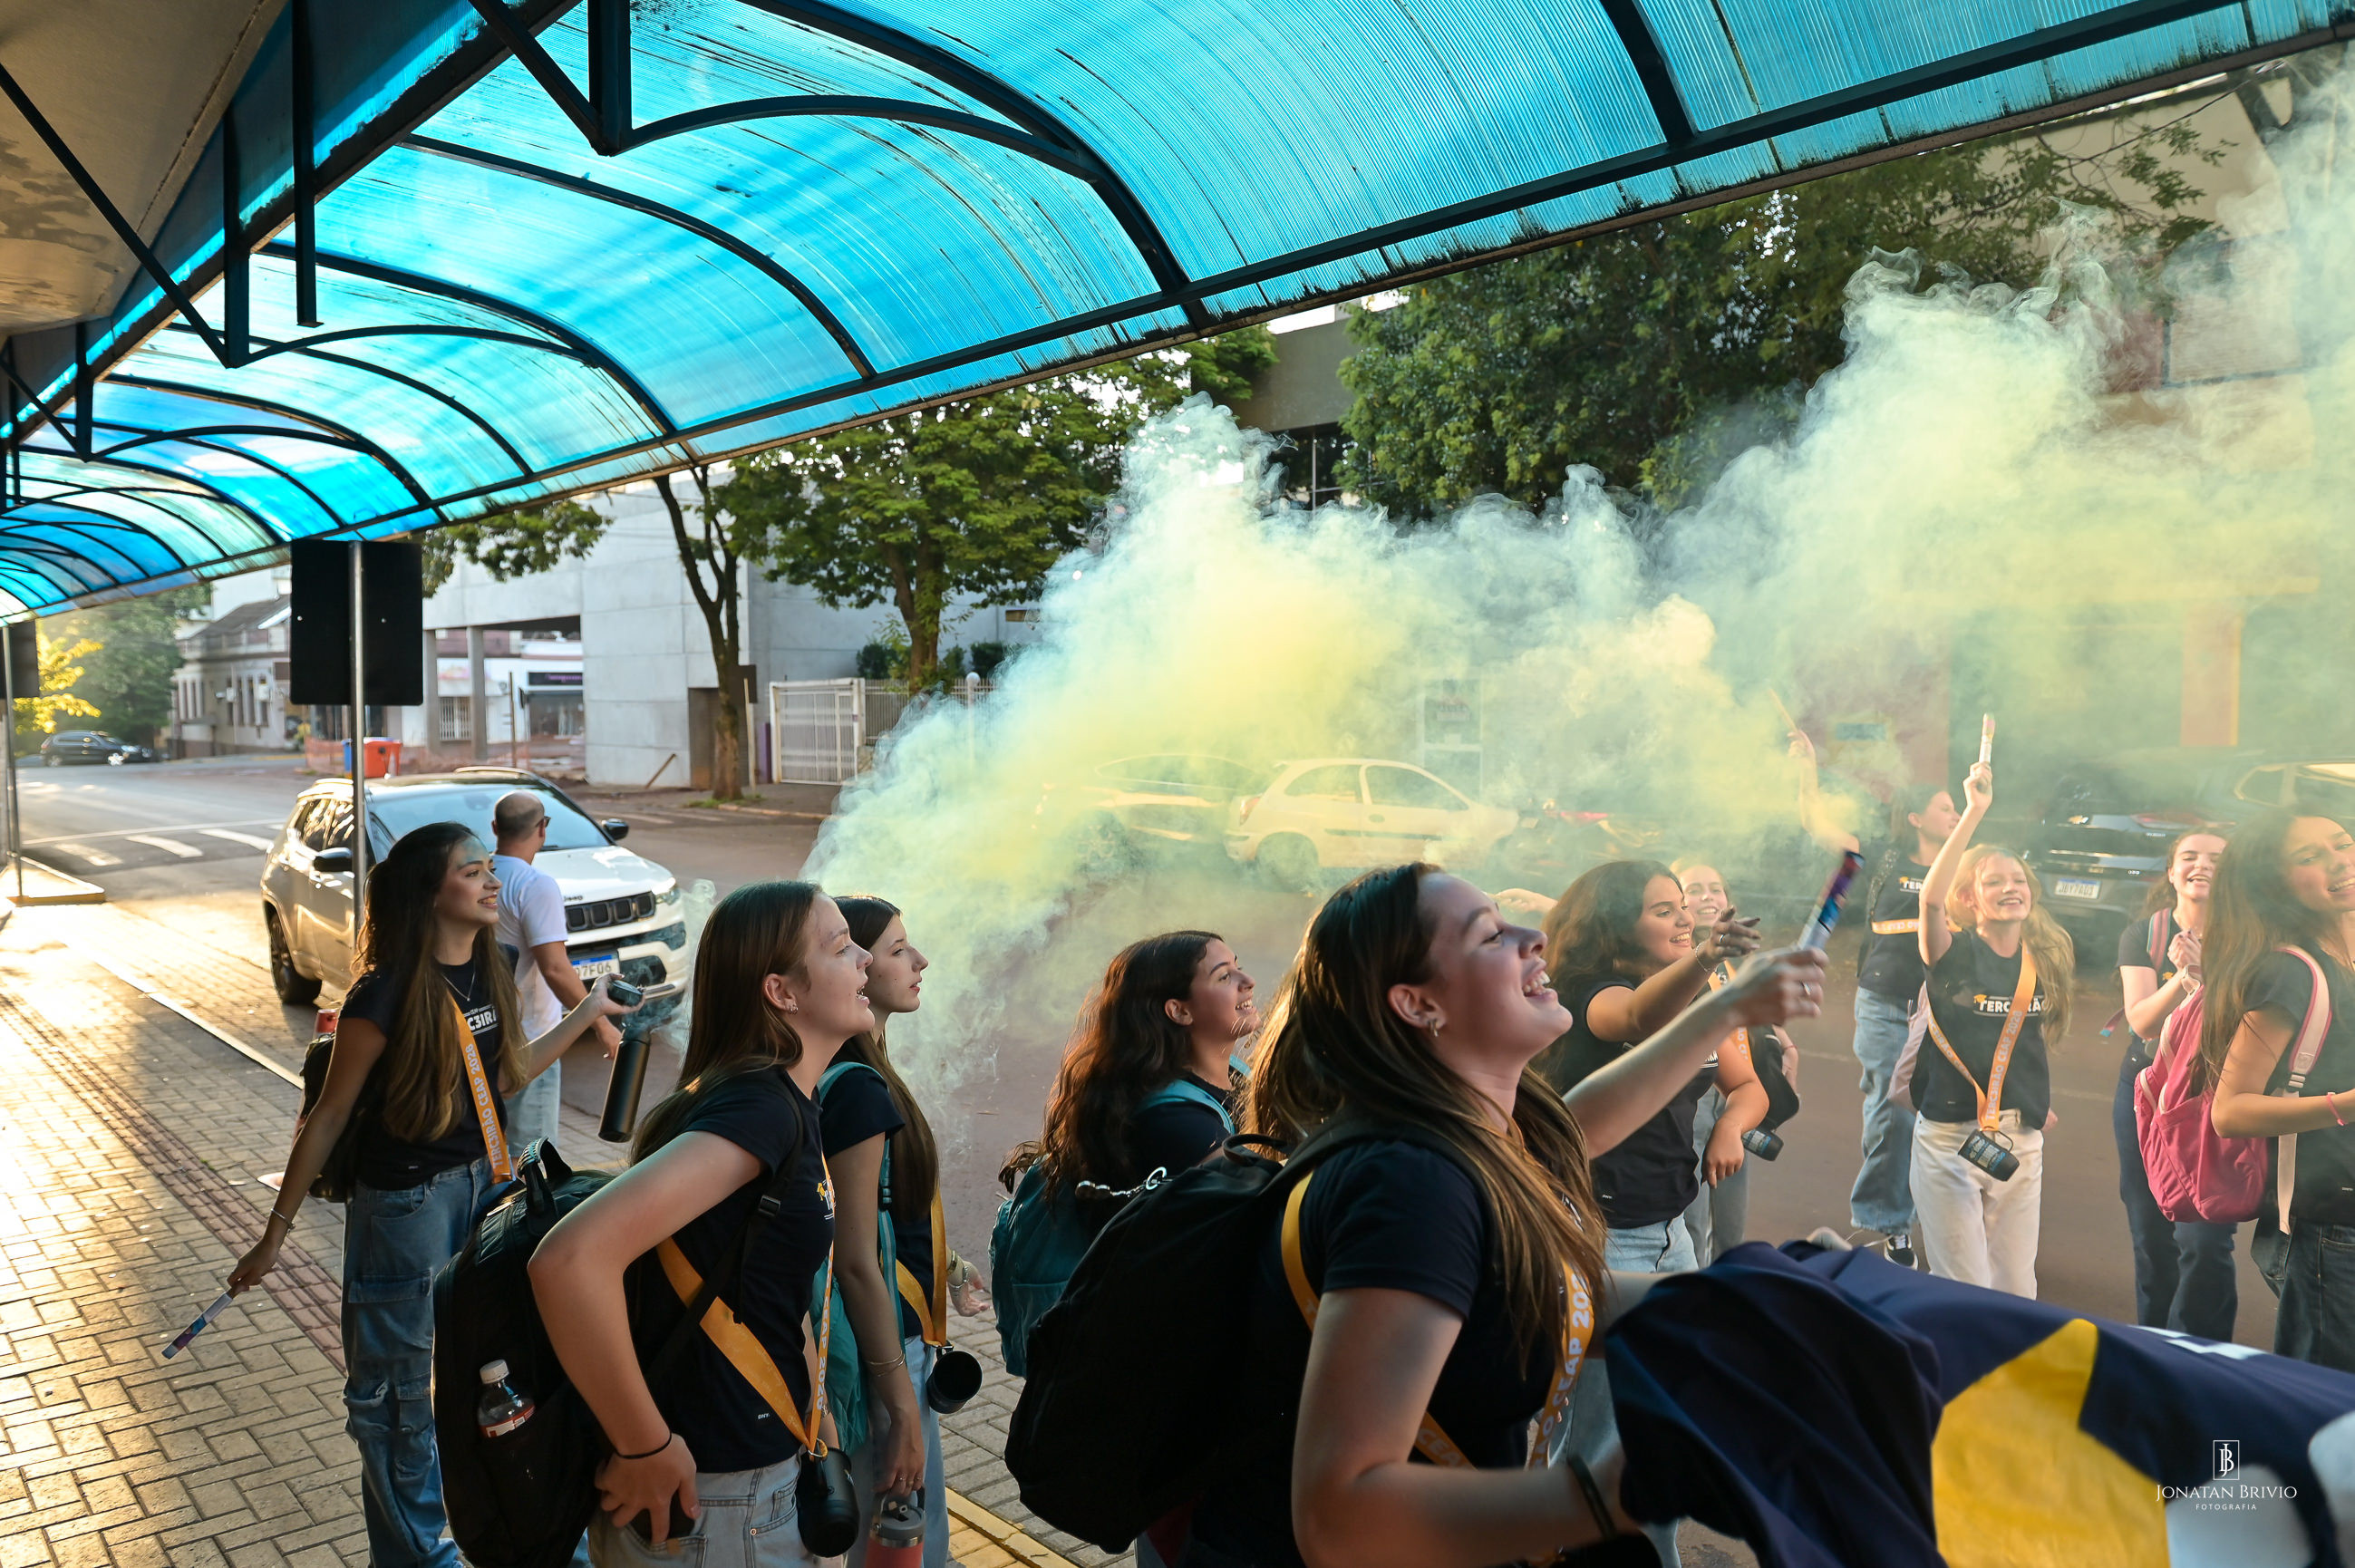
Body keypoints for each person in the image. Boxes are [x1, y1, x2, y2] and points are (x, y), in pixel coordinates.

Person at [1183, 863, 1826, 1568]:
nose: (1535, 938)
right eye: (1490, 934)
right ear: (1418, 1004)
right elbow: (1339, 1518)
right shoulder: (1409, 1187)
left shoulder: (1465, 1137)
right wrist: (1610, 1495)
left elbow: (1574, 1140)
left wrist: (1765, 1296)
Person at [225, 822, 633, 1568]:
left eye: (488, 869)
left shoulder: (491, 966)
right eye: (472, 872)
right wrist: (273, 1236)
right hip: (405, 1210)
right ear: (429, 892)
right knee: (397, 1399)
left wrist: (584, 1014)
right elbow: (329, 1116)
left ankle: (520, 1535)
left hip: (483, 1189)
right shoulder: (381, 995)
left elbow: (503, 1077)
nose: (492, 882)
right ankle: (418, 1558)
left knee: (497, 1372)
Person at [529, 880, 867, 1563]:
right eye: (841, 948)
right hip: (720, 1501)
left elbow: (766, 1283)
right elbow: (569, 1261)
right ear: (781, 992)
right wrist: (644, 1446)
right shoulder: (759, 1109)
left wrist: (817, 1417)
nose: (862, 959)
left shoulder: (769, 1097)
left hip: (747, 1477)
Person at [1536, 860, 1769, 1273]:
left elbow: (1747, 1086)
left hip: (1672, 1231)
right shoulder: (1591, 993)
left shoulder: (1691, 997)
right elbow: (1638, 1016)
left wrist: (1731, 1127)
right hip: (1599, 1231)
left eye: (1683, 906)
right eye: (1664, 911)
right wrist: (1706, 955)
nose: (1685, 919)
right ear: (1618, 928)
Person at [821, 895, 959, 1568]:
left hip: (889, 1336)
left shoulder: (860, 1067)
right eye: (899, 949)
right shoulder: (854, 1086)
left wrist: (947, 1264)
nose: (920, 961)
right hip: (882, 1342)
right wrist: (901, 1402)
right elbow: (854, 1255)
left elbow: (879, 1211)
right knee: (904, 1537)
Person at [1908, 762, 2071, 1296]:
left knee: (2017, 1288)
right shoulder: (1952, 955)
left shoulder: (2041, 960)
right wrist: (1974, 811)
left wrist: (2032, 1100)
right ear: (1969, 899)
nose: (2010, 888)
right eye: (1994, 881)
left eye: (2018, 880)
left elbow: (2026, 1044)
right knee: (1965, 1288)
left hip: (2020, 1141)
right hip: (1950, 1141)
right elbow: (1929, 900)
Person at [2202, 811, 2355, 1370]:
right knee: (2328, 1406)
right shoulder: (2291, 974)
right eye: (2309, 857)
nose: (2339, 861)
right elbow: (2230, 1111)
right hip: (2329, 1230)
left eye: (2342, 843)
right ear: (2277, 883)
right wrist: (2348, 1105)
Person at [1800, 728, 1960, 1265]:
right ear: (1914, 817)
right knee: (1894, 1114)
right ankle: (1890, 1225)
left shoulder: (1963, 870)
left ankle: (1952, 1219)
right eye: (1945, 807)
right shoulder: (1884, 858)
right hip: (1886, 1004)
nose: (1954, 815)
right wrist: (1807, 766)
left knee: (1953, 1118)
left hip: (1947, 1011)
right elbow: (1816, 823)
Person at [1015, 930, 1259, 1197]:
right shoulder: (1177, 1121)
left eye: (1238, 968)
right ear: (1179, 1011)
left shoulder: (1235, 1071)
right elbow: (1266, 1198)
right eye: (1224, 977)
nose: (1249, 981)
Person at [2114, 828, 2234, 1339]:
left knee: (2205, 1239)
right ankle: (2155, 1344)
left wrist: (2206, 971)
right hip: (2148, 1092)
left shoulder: (2251, 934)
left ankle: (2201, 1353)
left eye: (2215, 858)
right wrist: (2183, 977)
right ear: (2171, 872)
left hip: (2212, 1093)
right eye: (2189, 856)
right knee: (2150, 1233)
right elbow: (2142, 1021)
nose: (2201, 865)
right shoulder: (2146, 933)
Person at [1672, 860, 1800, 1263]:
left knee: (1731, 1227)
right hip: (1693, 1096)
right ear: (1677, 905)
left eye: (1715, 888)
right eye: (1694, 890)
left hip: (1738, 1095)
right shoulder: (1673, 958)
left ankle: (1725, 1291)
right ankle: (1690, 1293)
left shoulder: (1735, 958)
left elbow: (1752, 1016)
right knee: (1691, 1223)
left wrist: (1783, 1044)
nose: (1708, 897)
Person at [491, 789, 621, 1157]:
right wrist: (601, 1025)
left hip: (484, 1036)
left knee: (493, 1153)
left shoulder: (479, 876)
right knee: (530, 1161)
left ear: (495, 827)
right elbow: (555, 968)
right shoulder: (535, 885)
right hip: (533, 1042)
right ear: (542, 829)